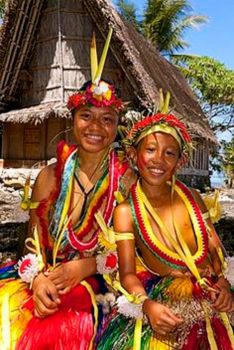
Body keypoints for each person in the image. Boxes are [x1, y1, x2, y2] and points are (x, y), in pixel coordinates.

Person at [0, 30, 135, 350]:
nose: (96, 127)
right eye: (86, 116)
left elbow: (138, 252)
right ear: (73, 119)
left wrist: (88, 265)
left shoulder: (128, 180)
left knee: (74, 326)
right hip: (51, 279)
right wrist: (37, 279)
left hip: (107, 285)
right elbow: (32, 247)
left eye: (107, 119)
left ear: (117, 126)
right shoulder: (48, 177)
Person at [96, 109, 234, 350]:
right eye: (150, 150)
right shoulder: (126, 212)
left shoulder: (192, 197)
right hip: (165, 301)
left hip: (210, 292)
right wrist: (147, 305)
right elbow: (127, 273)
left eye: (169, 153)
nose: (158, 159)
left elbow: (214, 247)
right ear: (132, 154)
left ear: (180, 161)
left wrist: (222, 281)